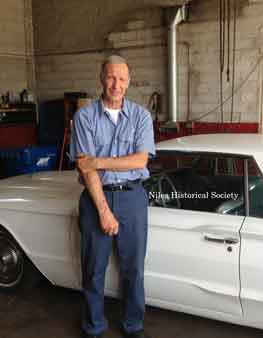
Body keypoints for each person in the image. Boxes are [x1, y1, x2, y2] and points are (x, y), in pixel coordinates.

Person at [70, 55, 155, 338]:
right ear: (101, 78)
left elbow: (139, 161)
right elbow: (86, 169)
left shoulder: (142, 116)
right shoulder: (84, 117)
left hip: (133, 199)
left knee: (134, 270)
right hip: (96, 199)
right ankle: (93, 326)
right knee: (94, 269)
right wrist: (104, 211)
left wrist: (98, 161)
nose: (115, 84)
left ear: (129, 82)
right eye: (110, 77)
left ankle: (133, 325)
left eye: (121, 78)